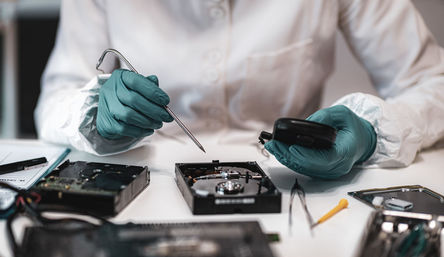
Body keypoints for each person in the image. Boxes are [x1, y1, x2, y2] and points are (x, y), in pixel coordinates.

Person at [35, 0, 444, 179]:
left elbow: (433, 82)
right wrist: (95, 116)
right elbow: (54, 102)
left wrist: (374, 132)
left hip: (290, 182)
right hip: (149, 182)